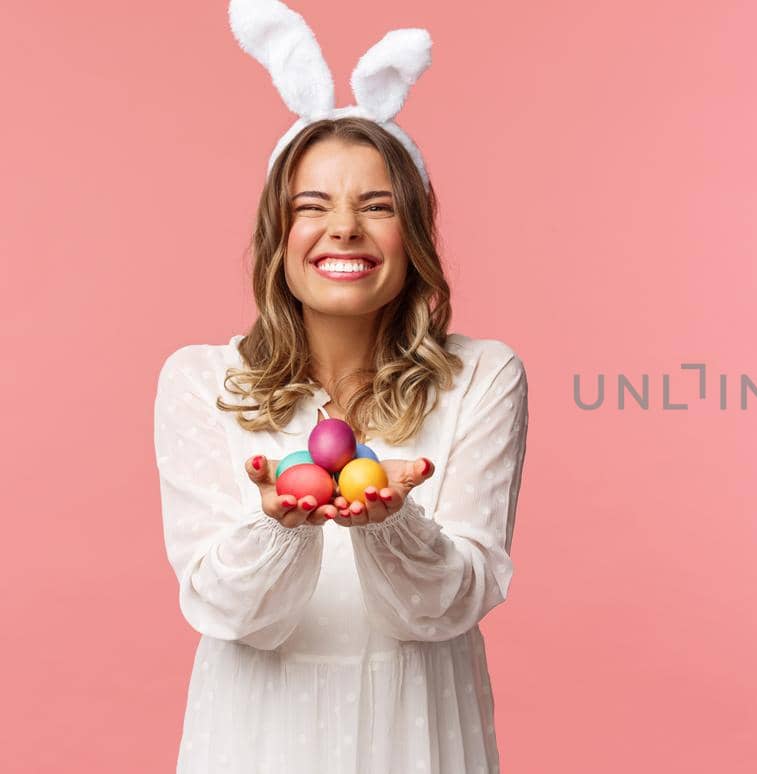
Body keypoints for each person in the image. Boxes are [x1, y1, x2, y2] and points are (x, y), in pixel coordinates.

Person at [153, 2, 527, 771]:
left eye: (378, 206)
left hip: (417, 737)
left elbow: (447, 608)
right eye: (312, 206)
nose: (345, 229)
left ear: (414, 234)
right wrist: (282, 527)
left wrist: (391, 525)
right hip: (253, 741)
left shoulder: (485, 376)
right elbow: (230, 613)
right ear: (277, 236)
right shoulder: (199, 382)